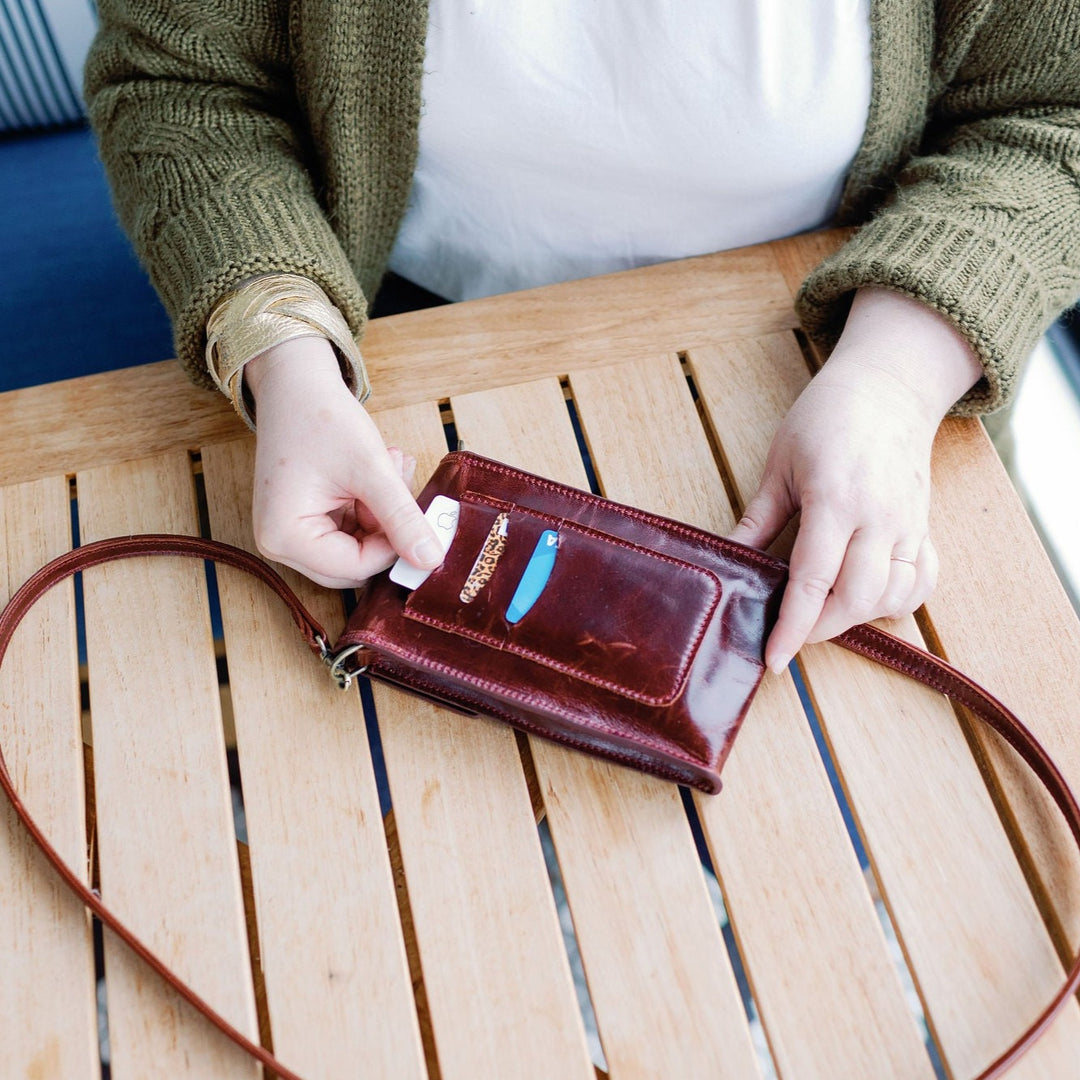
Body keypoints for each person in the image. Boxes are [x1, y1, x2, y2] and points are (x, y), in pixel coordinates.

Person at [84, 2, 1080, 672]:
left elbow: (1052, 112)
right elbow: (182, 83)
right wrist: (284, 349)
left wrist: (897, 384)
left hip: (860, 374)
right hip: (381, 371)